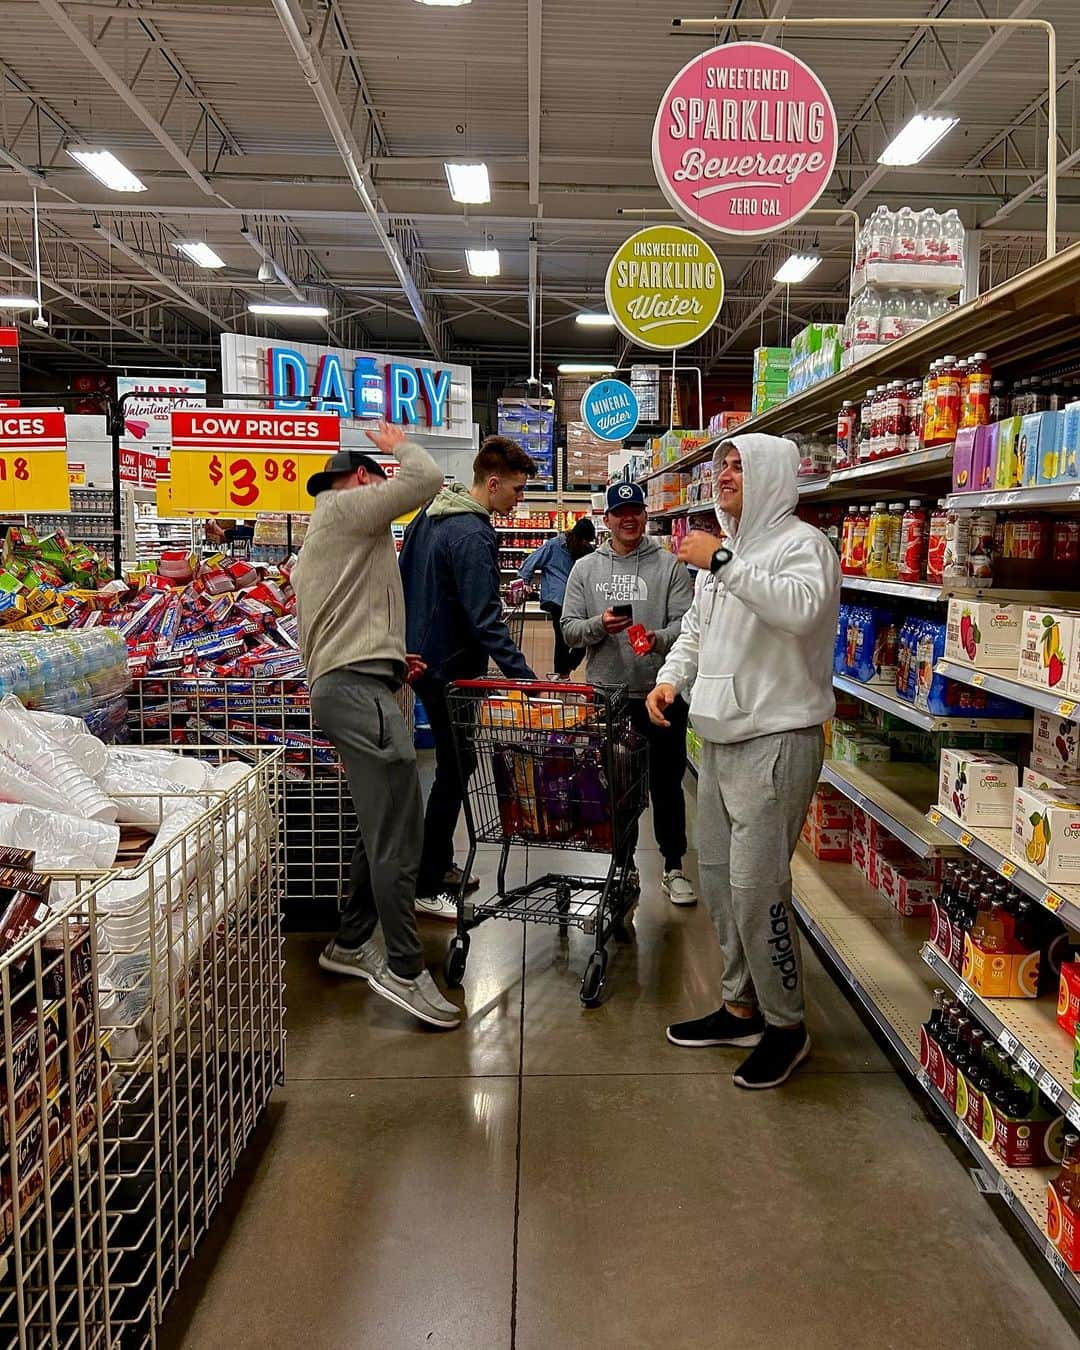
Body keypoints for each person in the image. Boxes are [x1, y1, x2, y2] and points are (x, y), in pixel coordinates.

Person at [646, 435, 841, 1089]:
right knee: (725, 885)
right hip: (719, 739)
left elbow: (799, 611)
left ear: (771, 475)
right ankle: (740, 1006)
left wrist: (724, 559)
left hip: (777, 739)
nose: (724, 474)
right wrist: (671, 678)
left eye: (738, 465)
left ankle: (787, 1026)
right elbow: (699, 631)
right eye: (720, 465)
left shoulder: (803, 546)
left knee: (760, 893)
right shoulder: (720, 554)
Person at [292, 421, 460, 1031]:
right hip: (359, 695)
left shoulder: (328, 538)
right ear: (363, 479)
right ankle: (405, 968)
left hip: (358, 684)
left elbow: (347, 619)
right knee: (399, 832)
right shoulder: (347, 509)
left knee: (378, 826)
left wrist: (391, 656)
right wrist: (395, 445)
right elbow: (428, 477)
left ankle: (351, 941)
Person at [399, 435, 537, 918]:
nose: (518, 502)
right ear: (493, 482)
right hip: (454, 672)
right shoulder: (473, 533)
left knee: (453, 770)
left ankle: (437, 862)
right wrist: (527, 679)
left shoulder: (429, 516)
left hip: (424, 662)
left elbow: (403, 581)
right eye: (517, 491)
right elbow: (486, 620)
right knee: (456, 773)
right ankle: (427, 880)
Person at [560, 481, 696, 905]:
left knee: (666, 784)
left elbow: (687, 628)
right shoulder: (586, 570)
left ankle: (673, 866)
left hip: (662, 696)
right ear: (608, 520)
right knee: (618, 786)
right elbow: (569, 631)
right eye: (620, 512)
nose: (629, 518)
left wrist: (654, 639)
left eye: (635, 510)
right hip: (608, 698)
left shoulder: (670, 567)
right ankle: (624, 866)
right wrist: (600, 624)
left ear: (645, 515)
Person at [515, 517, 596, 677]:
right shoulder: (554, 545)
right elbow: (528, 564)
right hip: (556, 599)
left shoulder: (587, 550)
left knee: (585, 635)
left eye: (588, 541)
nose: (586, 544)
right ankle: (562, 674)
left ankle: (565, 669)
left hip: (577, 600)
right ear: (577, 537)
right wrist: (524, 582)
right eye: (584, 540)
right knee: (562, 637)